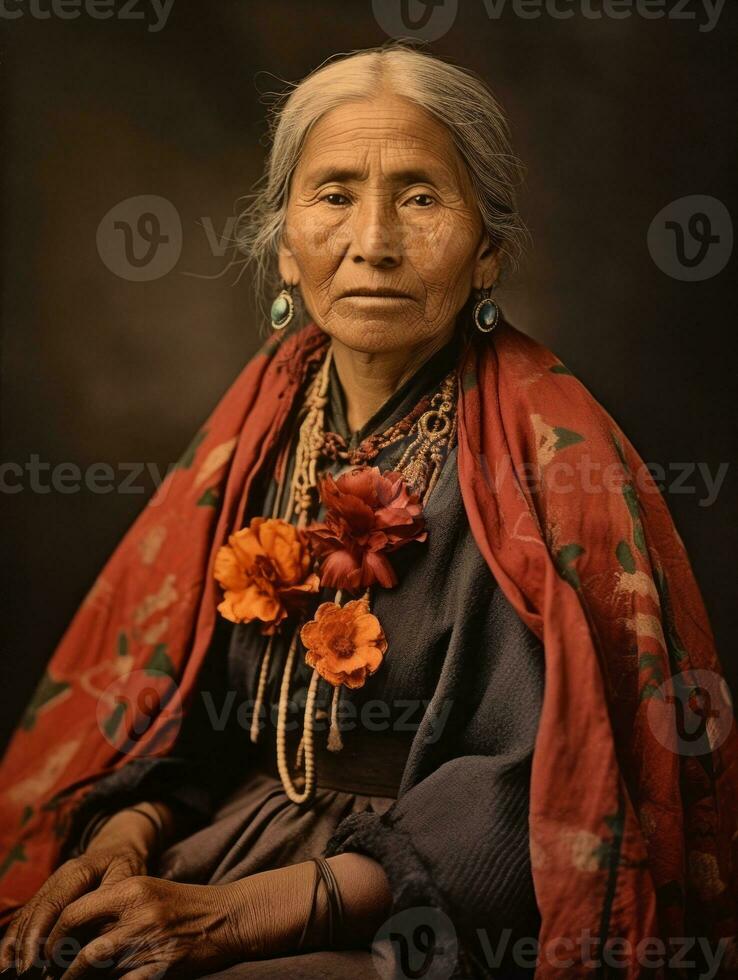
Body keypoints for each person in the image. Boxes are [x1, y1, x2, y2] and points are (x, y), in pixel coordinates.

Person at [1, 43, 736, 980]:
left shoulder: (549, 461)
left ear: (488, 253)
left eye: (422, 196)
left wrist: (250, 915)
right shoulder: (267, 416)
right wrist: (130, 835)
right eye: (335, 193)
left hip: (424, 905)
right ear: (283, 242)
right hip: (230, 841)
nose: (374, 240)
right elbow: (181, 703)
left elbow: (545, 793)